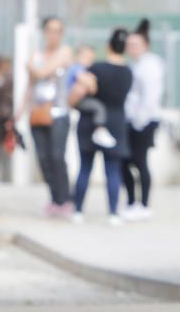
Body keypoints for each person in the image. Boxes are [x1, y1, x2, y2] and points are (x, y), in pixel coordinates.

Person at [68, 28, 134, 225]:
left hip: (89, 121)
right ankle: (113, 213)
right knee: (112, 170)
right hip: (115, 123)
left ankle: (78, 211)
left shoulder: (95, 68)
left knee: (85, 168)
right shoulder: (128, 73)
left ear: (108, 46)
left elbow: (76, 94)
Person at [21, 17, 73, 217]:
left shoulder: (64, 52)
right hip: (37, 113)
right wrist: (19, 113)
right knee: (43, 159)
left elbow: (42, 72)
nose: (53, 35)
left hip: (58, 113)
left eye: (57, 31)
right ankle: (54, 199)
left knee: (57, 156)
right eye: (49, 30)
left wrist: (31, 68)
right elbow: (30, 85)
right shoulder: (37, 55)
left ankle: (65, 199)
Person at [121, 19, 165, 222]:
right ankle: (131, 202)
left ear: (145, 45)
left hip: (144, 121)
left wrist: (140, 121)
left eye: (135, 44)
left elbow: (150, 97)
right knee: (125, 163)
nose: (132, 48)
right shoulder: (134, 65)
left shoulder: (151, 66)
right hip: (131, 120)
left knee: (140, 162)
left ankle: (144, 204)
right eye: (129, 45)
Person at [67, 45, 117, 149]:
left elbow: (92, 89)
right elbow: (89, 85)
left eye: (91, 59)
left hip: (78, 99)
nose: (88, 61)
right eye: (86, 57)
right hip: (74, 99)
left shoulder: (85, 70)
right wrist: (90, 80)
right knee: (98, 107)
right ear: (77, 56)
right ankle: (100, 129)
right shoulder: (76, 68)